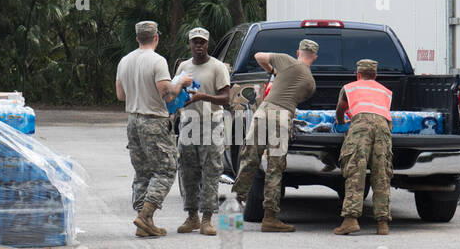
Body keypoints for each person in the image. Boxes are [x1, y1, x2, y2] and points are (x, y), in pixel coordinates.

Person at [231, 38, 318, 232]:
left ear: (298, 52)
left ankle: (232, 212)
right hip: (282, 118)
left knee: (249, 161)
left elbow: (258, 56)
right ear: (315, 57)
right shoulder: (311, 83)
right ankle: (270, 218)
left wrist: (273, 71)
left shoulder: (287, 60)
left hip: (263, 113)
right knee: (275, 167)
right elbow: (299, 98)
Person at [116, 20, 191, 237]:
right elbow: (167, 94)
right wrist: (181, 83)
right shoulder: (157, 61)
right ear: (156, 37)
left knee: (143, 172)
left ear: (137, 37)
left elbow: (120, 95)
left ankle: (144, 223)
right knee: (166, 169)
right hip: (154, 121)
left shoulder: (124, 61)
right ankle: (146, 215)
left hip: (133, 120)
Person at [174, 27, 231, 236]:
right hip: (189, 122)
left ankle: (207, 218)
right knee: (187, 170)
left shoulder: (217, 67)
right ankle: (192, 217)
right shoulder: (183, 67)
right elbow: (175, 91)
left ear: (207, 44)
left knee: (211, 170)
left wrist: (202, 97)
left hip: (211, 122)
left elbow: (226, 98)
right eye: (195, 42)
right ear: (189, 44)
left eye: (202, 42)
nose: (198, 46)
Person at [334, 58, 393, 236]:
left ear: (357, 74)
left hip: (360, 127)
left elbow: (340, 108)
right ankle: (383, 224)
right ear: (375, 75)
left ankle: (350, 220)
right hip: (383, 128)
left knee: (355, 172)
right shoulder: (385, 91)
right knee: (382, 174)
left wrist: (340, 121)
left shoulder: (350, 87)